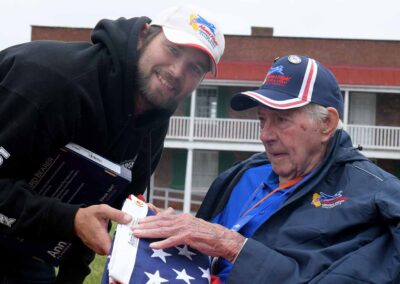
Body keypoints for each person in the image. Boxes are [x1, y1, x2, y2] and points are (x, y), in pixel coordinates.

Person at [0, 5, 224, 283]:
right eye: (173, 50)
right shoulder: (50, 80)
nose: (177, 71)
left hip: (24, 251)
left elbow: (101, 213)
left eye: (195, 68)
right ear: (144, 35)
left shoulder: (154, 122)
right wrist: (70, 219)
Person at [132, 55, 400, 283]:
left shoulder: (371, 194)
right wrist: (163, 225)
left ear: (327, 124)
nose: (265, 135)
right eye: (262, 120)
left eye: (282, 120)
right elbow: (203, 246)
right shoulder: (244, 174)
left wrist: (234, 246)